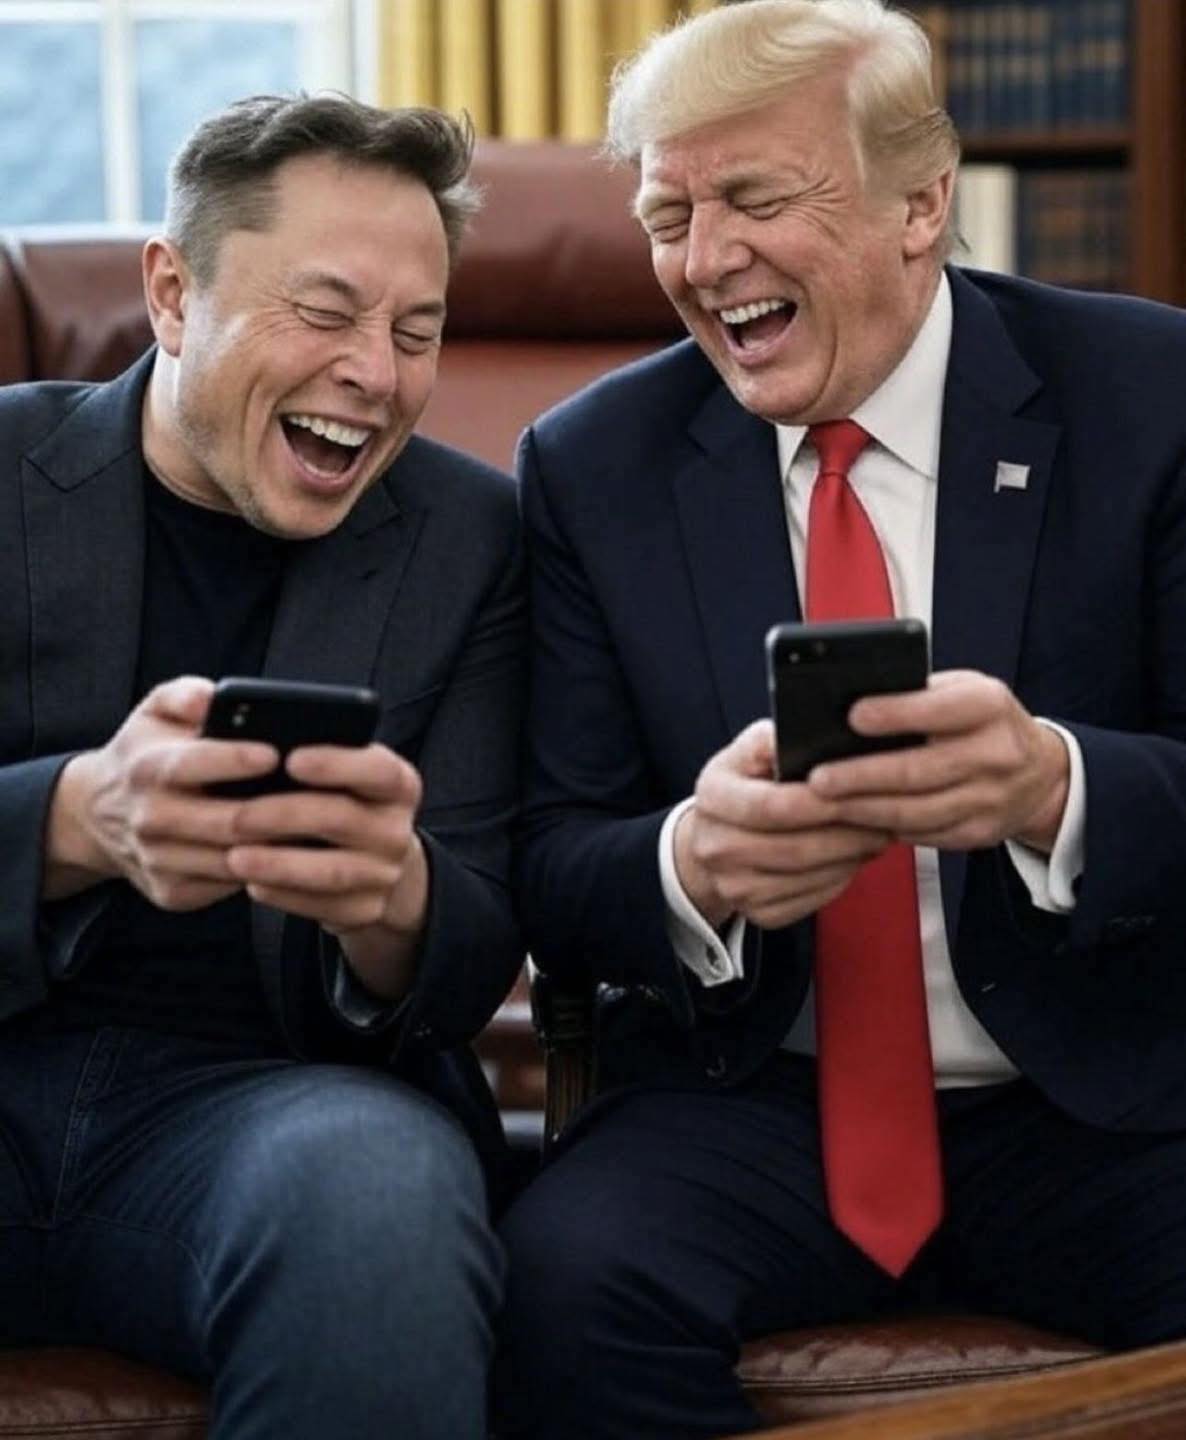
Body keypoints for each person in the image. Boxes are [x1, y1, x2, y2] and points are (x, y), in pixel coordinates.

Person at [496, 1, 1186, 1436]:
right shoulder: (590, 466)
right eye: (668, 216)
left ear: (919, 204)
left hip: (1103, 1092)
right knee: (564, 1287)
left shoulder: (1150, 397)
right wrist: (692, 866)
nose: (704, 261)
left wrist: (1053, 789)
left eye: (754, 200)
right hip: (752, 1094)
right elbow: (550, 855)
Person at [0, 93, 524, 1439]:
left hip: (269, 1112)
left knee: (378, 1196)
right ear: (173, 295)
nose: (375, 375)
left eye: (417, 333)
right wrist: (73, 820)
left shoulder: (474, 539)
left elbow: (478, 941)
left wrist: (392, 899)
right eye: (325, 312)